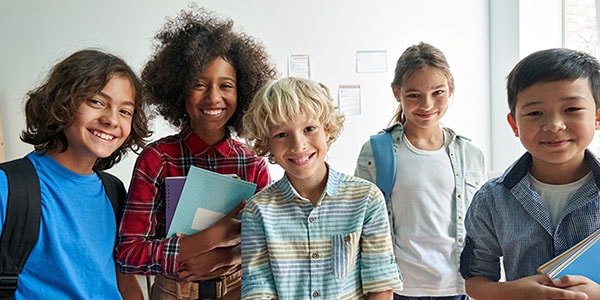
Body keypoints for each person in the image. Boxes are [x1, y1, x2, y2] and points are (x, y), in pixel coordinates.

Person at [115, 5, 277, 300]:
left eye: (226, 85)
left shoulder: (253, 165)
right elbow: (129, 254)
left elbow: (268, 246)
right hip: (173, 291)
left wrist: (225, 258)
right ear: (178, 90)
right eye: (199, 84)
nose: (214, 97)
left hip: (240, 290)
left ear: (242, 92)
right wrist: (208, 240)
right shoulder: (157, 159)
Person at [0, 49, 150, 299]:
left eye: (125, 111)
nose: (112, 120)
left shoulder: (114, 192)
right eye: (97, 102)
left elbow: (125, 283)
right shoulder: (9, 187)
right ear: (63, 101)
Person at [241, 77, 403, 300]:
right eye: (281, 134)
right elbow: (259, 291)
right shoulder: (257, 211)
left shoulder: (366, 199)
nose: (298, 145)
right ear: (266, 142)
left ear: (327, 129)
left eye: (309, 128)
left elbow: (380, 286)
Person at [459, 48, 600, 300]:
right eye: (535, 113)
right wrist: (512, 292)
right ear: (514, 124)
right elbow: (476, 279)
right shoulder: (492, 199)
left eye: (572, 109)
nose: (554, 125)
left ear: (597, 116)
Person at [354, 42, 487, 300]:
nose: (427, 104)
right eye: (414, 95)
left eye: (438, 92)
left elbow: (482, 227)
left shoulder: (471, 154)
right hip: (397, 288)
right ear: (397, 92)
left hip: (457, 287)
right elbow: (361, 223)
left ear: (451, 89)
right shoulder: (375, 151)